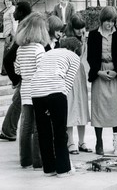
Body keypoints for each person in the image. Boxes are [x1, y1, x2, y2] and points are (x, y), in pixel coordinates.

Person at [31, 37, 81, 177]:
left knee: (44, 131)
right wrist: (57, 103)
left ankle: (49, 168)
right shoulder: (74, 57)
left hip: (36, 90)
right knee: (60, 131)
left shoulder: (49, 52)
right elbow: (68, 82)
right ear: (76, 49)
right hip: (55, 90)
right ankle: (63, 169)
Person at [87, 6, 117, 156]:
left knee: (114, 107)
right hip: (99, 72)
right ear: (102, 20)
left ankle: (116, 142)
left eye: (112, 21)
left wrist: (116, 70)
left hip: (115, 72)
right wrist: (98, 72)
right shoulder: (93, 35)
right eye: (107, 21)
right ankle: (99, 142)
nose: (109, 24)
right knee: (98, 108)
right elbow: (90, 57)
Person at [14, 12, 49, 169]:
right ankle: (38, 160)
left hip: (25, 89)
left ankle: (25, 159)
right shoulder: (39, 48)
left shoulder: (20, 49)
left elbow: (17, 70)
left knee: (25, 126)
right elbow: (42, 70)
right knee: (38, 126)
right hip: (38, 90)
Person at [0, 2, 32, 142]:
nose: (13, 13)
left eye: (16, 11)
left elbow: (9, 58)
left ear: (21, 13)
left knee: (18, 101)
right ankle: (8, 130)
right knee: (17, 101)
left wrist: (15, 79)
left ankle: (9, 131)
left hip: (28, 72)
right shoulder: (27, 24)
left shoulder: (25, 27)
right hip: (27, 71)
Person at [64, 13, 92, 155]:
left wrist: (84, 40)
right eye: (78, 29)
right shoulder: (67, 40)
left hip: (80, 75)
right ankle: (71, 142)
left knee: (81, 106)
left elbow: (83, 57)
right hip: (69, 74)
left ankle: (82, 141)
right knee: (70, 107)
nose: (81, 31)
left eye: (83, 28)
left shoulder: (83, 39)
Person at [0, 0, 18, 76]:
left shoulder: (12, 9)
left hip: (10, 33)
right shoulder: (8, 9)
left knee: (7, 52)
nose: (7, 2)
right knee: (7, 51)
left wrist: (13, 33)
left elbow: (14, 22)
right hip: (7, 33)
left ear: (12, 1)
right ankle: (6, 70)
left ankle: (5, 70)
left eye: (9, 1)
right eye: (6, 1)